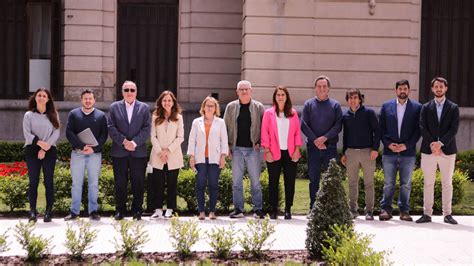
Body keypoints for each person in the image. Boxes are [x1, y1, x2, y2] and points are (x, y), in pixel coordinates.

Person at [416, 77, 459, 225]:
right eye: (436, 87)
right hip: (429, 151)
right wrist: (433, 145)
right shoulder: (425, 107)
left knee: (447, 183)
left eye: (441, 86)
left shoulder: (453, 107)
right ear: (432, 89)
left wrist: (440, 144)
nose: (439, 89)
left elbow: (454, 129)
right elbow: (422, 127)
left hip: (448, 151)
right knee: (429, 183)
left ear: (446, 88)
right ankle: (427, 214)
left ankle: (447, 214)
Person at [379, 79, 421, 222]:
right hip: (389, 152)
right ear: (396, 90)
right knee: (389, 183)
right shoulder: (386, 107)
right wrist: (388, 144)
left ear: (409, 90)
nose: (402, 91)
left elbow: (418, 131)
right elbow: (381, 129)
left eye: (405, 88)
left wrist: (406, 145)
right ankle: (386, 209)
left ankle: (404, 211)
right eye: (400, 88)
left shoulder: (417, 108)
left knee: (405, 184)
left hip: (407, 153)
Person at [108, 81, 151, 220]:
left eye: (132, 90)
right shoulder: (114, 107)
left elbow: (146, 129)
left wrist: (133, 143)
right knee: (120, 182)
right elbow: (111, 127)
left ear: (136, 92)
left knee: (138, 182)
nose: (129, 92)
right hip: (119, 152)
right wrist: (124, 141)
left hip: (138, 152)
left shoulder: (144, 108)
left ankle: (137, 210)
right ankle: (120, 210)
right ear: (122, 92)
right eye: (126, 90)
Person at [64, 89, 108, 221]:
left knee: (93, 184)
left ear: (94, 100)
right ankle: (74, 211)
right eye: (85, 98)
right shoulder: (73, 114)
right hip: (78, 154)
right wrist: (82, 146)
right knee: (76, 184)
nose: (88, 101)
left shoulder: (101, 116)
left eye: (90, 98)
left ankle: (93, 211)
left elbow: (104, 135)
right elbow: (69, 133)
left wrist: (93, 149)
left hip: (95, 155)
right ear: (81, 100)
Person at [224, 80, 265, 219]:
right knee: (236, 182)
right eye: (241, 89)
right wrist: (227, 147)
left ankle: (258, 209)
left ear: (251, 91)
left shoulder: (259, 107)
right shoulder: (231, 107)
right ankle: (238, 209)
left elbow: (264, 128)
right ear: (237, 92)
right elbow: (225, 128)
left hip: (253, 149)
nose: (244, 91)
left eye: (246, 89)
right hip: (236, 149)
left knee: (255, 182)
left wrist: (260, 142)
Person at [301, 75, 342, 210]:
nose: (322, 88)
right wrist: (316, 140)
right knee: (314, 179)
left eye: (324, 86)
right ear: (315, 88)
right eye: (319, 86)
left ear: (328, 88)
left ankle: (331, 207)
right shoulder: (308, 104)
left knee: (331, 178)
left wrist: (324, 138)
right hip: (313, 148)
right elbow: (304, 125)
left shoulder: (335, 105)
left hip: (330, 147)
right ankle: (314, 207)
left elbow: (338, 125)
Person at [261, 86, 302, 220]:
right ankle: (273, 210)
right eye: (278, 94)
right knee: (273, 182)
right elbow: (264, 133)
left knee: (289, 181)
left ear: (286, 97)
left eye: (283, 94)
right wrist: (267, 151)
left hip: (290, 153)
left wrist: (297, 149)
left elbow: (297, 133)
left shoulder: (293, 113)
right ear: (275, 97)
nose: (280, 97)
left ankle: (287, 209)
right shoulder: (268, 113)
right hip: (273, 152)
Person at [340, 89, 381, 220]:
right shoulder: (345, 116)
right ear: (347, 100)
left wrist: (375, 149)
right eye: (350, 98)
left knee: (369, 183)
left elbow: (377, 131)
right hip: (351, 152)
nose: (353, 100)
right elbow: (345, 136)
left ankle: (369, 211)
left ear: (360, 99)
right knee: (352, 183)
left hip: (367, 152)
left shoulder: (369, 113)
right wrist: (344, 152)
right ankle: (353, 210)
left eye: (355, 97)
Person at [187, 96, 229, 220]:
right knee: (200, 185)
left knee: (213, 185)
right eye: (207, 105)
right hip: (200, 158)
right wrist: (191, 157)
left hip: (214, 159)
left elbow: (224, 140)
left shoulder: (220, 122)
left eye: (212, 106)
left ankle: (212, 212)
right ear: (203, 107)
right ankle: (201, 212)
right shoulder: (196, 122)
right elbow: (192, 140)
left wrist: (223, 156)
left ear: (215, 108)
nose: (210, 108)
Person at [23, 88, 60, 223]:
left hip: (49, 151)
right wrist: (39, 144)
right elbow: (27, 133)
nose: (41, 97)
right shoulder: (28, 115)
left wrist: (45, 148)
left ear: (48, 99)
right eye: (39, 95)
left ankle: (48, 212)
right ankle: (32, 211)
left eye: (44, 96)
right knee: (33, 181)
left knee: (48, 181)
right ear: (35, 98)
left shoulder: (53, 114)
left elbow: (56, 133)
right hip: (32, 151)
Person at [149, 91, 184, 219]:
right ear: (161, 102)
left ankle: (170, 209)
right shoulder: (155, 116)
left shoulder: (179, 117)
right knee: (157, 184)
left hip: (173, 155)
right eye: (164, 100)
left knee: (171, 184)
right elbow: (153, 136)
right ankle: (158, 209)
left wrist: (168, 150)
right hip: (158, 156)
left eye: (169, 100)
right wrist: (160, 152)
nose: (167, 103)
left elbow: (180, 137)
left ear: (173, 102)